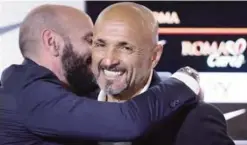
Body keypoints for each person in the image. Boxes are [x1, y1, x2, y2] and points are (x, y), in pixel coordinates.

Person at [0, 4, 201, 145]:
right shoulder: (32, 94)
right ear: (53, 42)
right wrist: (185, 80)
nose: (102, 57)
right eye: (91, 41)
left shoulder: (45, 88)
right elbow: (128, 122)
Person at [90, 2, 235, 145]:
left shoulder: (195, 121)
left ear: (154, 56)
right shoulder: (73, 109)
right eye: (100, 45)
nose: (108, 61)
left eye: (125, 48)